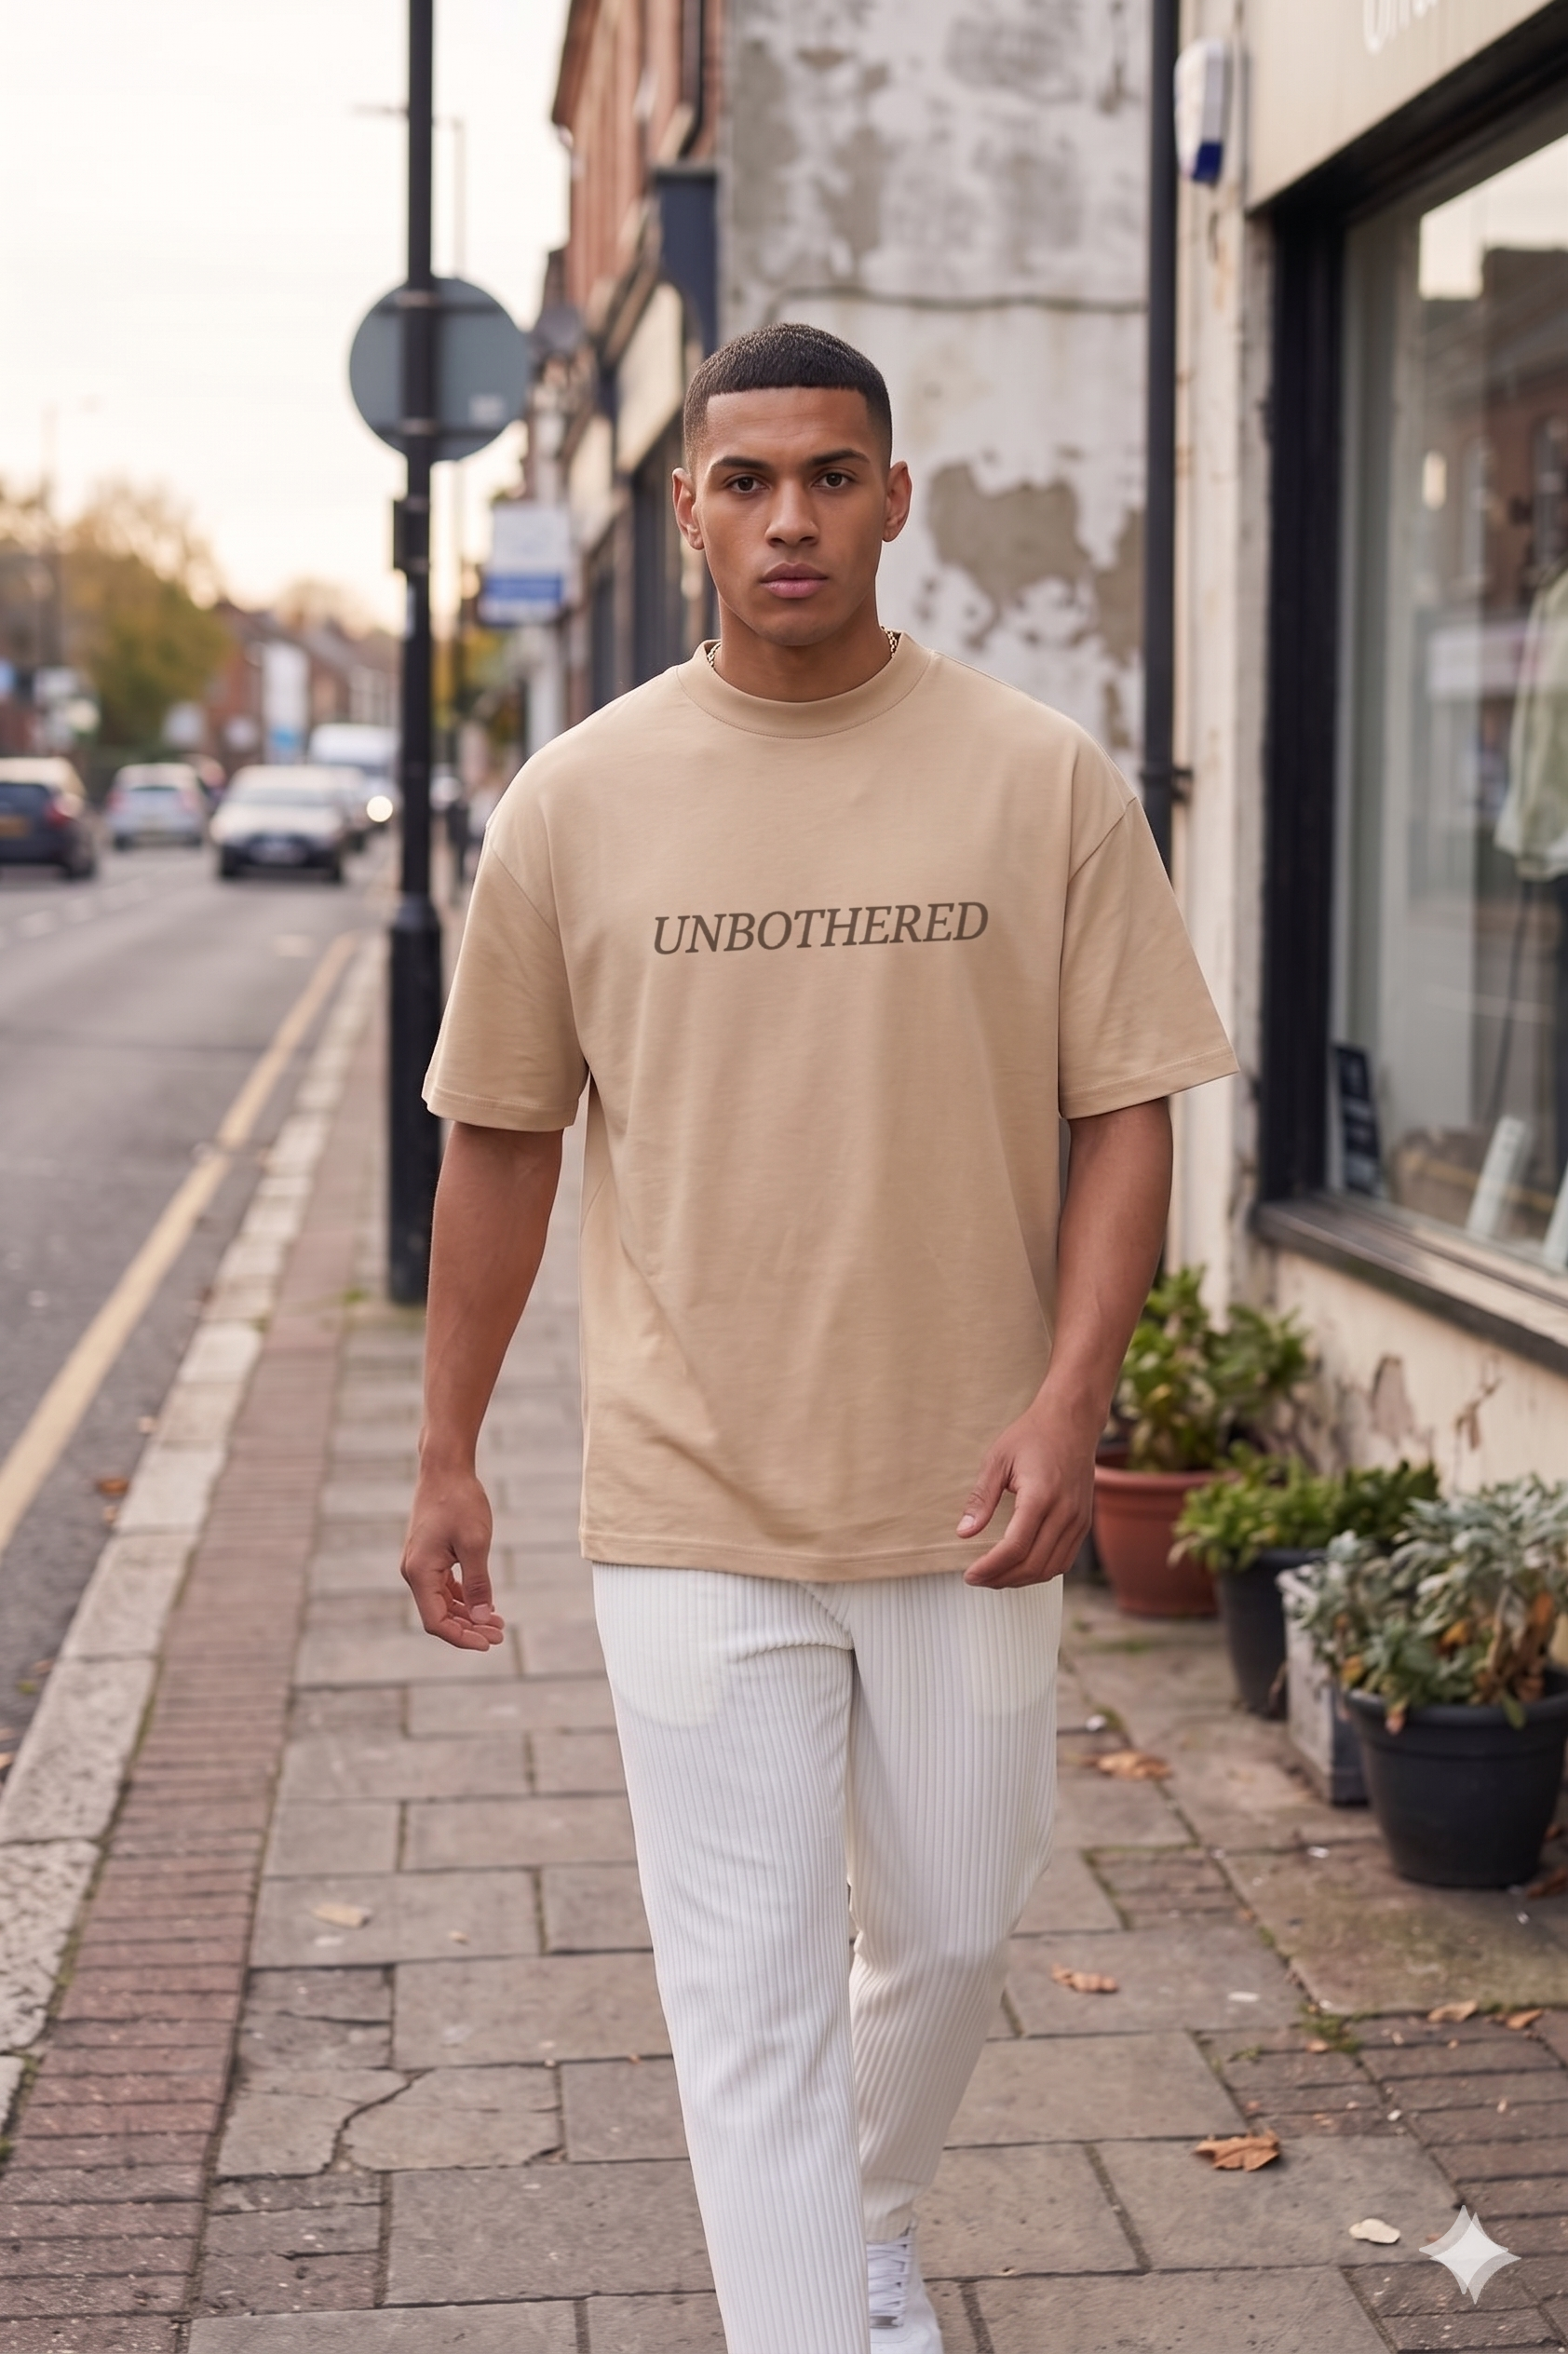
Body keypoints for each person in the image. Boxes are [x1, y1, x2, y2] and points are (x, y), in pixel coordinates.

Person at [401, 323, 1237, 2354]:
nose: (793, 518)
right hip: (688, 1494)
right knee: (746, 2005)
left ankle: (858, 2222)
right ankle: (810, 2307)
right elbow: (501, 1142)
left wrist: (1071, 1403)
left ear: (893, 501)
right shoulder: (575, 802)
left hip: (970, 1487)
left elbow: (1124, 1108)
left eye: (832, 477)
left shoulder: (1037, 777)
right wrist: (446, 1452)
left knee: (951, 1929)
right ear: (688, 509)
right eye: (751, 481)